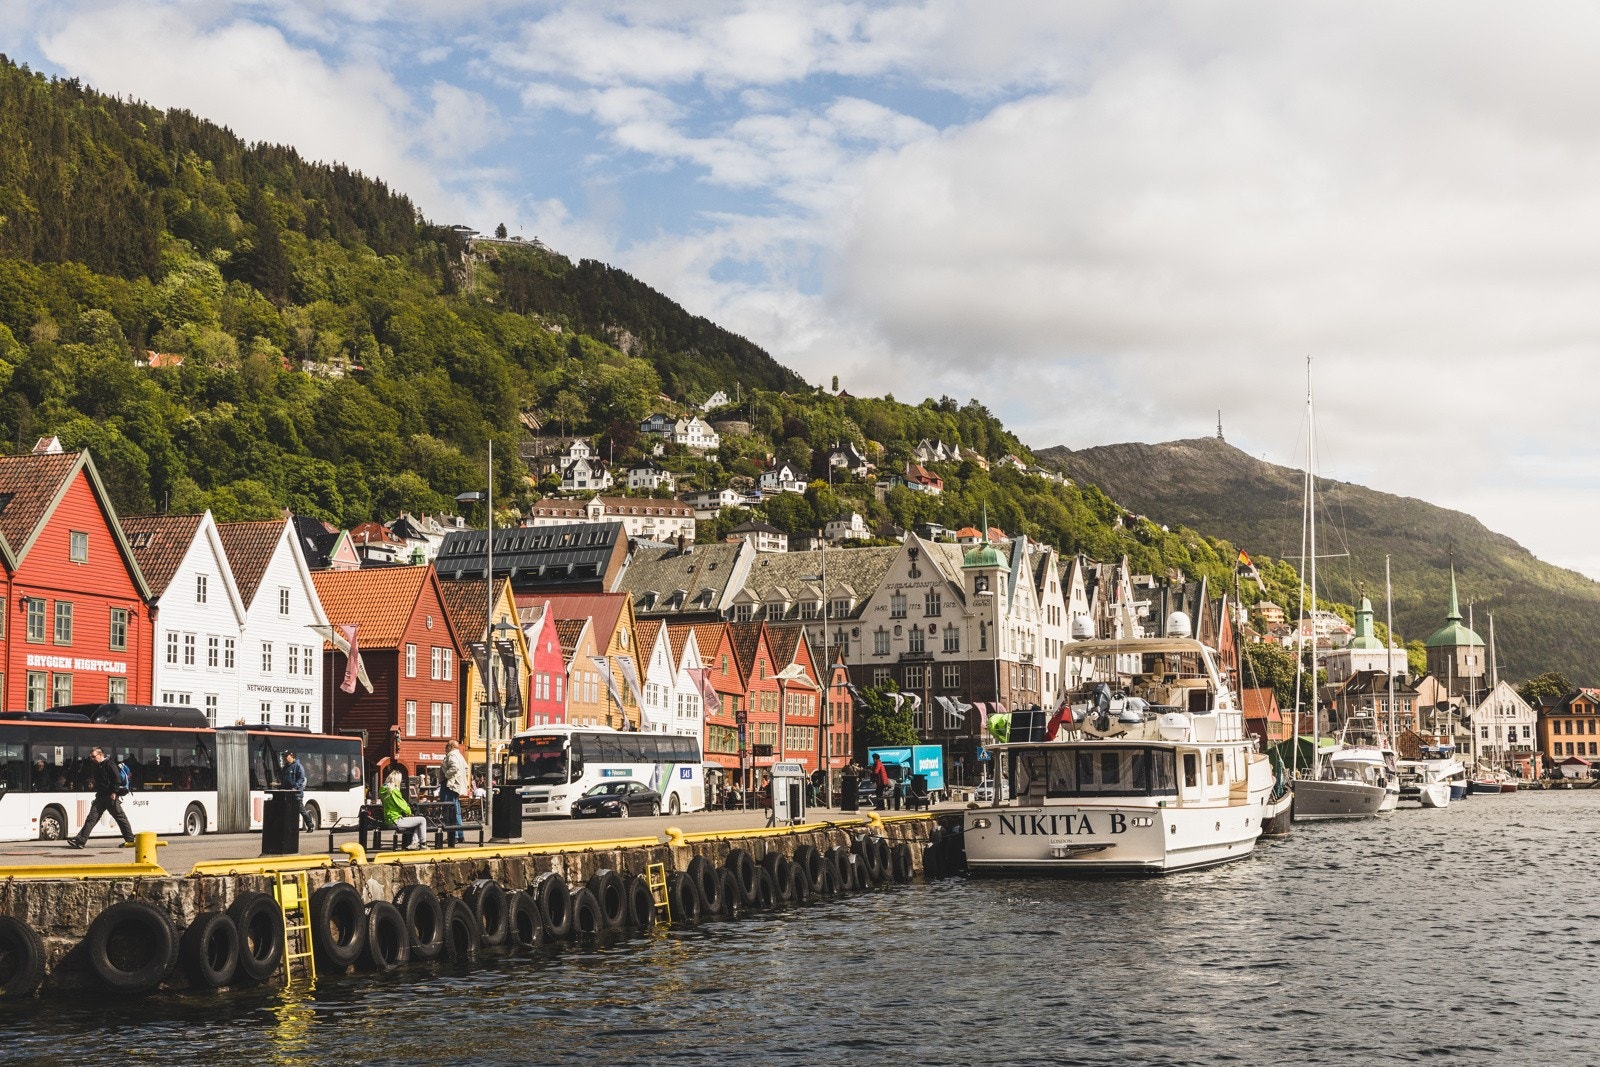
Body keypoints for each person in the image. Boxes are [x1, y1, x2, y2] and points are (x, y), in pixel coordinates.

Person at [67, 747, 133, 848]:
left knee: (120, 817)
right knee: (91, 818)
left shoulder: (109, 763)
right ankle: (80, 841)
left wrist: (114, 792)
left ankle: (130, 841)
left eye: (94, 756)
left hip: (110, 796)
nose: (92, 759)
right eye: (91, 757)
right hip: (101, 797)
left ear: (101, 754)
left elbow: (117, 778)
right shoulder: (98, 766)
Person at [380, 770, 428, 850]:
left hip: (388, 819)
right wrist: (410, 812)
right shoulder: (394, 791)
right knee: (422, 820)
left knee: (417, 822)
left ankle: (414, 843)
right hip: (395, 819)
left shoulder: (383, 790)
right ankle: (423, 844)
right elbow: (402, 805)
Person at [440, 739, 470, 844]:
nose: (445, 748)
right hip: (456, 787)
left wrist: (448, 776)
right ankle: (460, 835)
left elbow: (455, 767)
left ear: (451, 746)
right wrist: (460, 779)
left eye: (447, 745)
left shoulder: (451, 755)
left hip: (450, 786)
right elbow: (466, 769)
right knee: (456, 811)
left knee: (449, 811)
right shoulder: (460, 756)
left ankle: (454, 836)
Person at [280, 751, 314, 832]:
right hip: (287, 793)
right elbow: (284, 779)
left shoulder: (298, 766)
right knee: (287, 811)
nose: (284, 758)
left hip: (296, 794)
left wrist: (295, 787)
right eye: (284, 756)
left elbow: (301, 778)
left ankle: (310, 824)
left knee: (301, 810)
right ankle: (289, 827)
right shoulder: (285, 768)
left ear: (292, 756)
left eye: (286, 756)